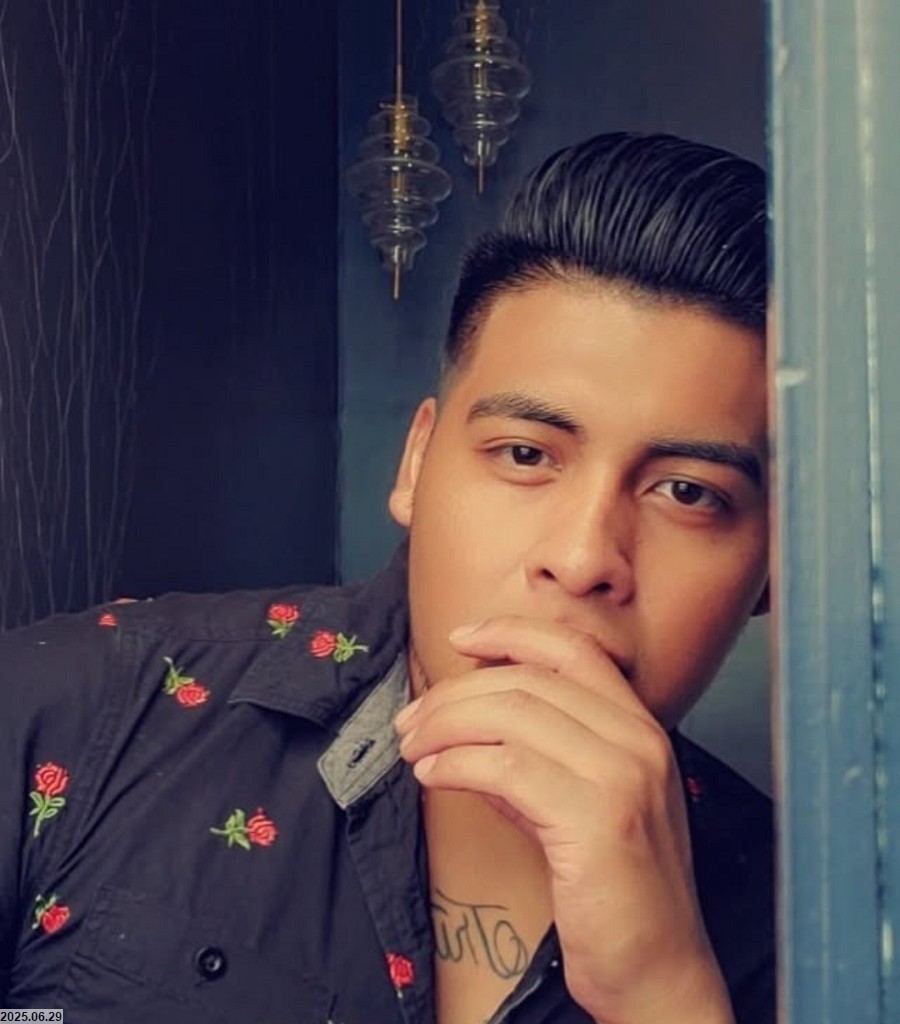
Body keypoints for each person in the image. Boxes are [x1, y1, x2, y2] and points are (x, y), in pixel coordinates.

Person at [0, 132, 773, 1024]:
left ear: (773, 569)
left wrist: (664, 992)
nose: (583, 557)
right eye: (525, 454)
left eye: (688, 492)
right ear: (416, 464)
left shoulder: (824, 934)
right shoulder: (86, 712)